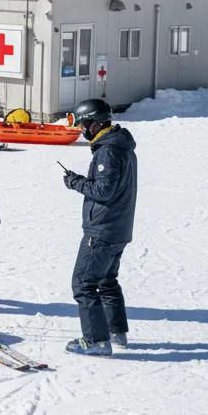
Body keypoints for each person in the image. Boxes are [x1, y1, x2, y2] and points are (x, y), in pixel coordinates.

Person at [61, 98, 138, 357]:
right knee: (106, 281)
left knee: (83, 284)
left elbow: (103, 190)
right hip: (118, 228)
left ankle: (96, 341)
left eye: (83, 124)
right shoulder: (119, 145)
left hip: (102, 230)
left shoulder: (108, 150)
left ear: (96, 124)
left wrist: (75, 183)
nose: (82, 130)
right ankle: (116, 333)